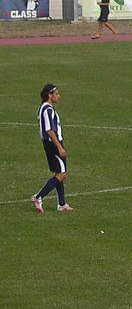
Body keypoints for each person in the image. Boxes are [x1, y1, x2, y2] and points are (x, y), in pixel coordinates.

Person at [31, 84, 73, 213]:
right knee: (61, 174)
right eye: (57, 93)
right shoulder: (47, 110)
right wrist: (59, 147)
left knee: (59, 172)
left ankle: (61, 204)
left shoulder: (44, 108)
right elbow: (49, 130)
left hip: (52, 144)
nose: (59, 96)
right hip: (53, 144)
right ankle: (38, 197)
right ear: (50, 95)